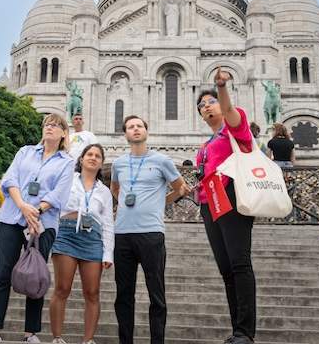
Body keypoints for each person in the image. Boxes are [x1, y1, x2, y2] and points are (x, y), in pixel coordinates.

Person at [0, 113, 75, 343]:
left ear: (64, 133)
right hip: (12, 217)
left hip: (42, 224)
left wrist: (36, 212)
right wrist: (23, 206)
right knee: (3, 272)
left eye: (56, 125)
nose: (50, 128)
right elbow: (10, 180)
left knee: (36, 275)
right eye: (47, 124)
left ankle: (31, 332)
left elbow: (59, 194)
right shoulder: (25, 151)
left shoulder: (66, 162)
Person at [111, 115, 189, 344]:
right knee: (123, 295)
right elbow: (115, 189)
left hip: (151, 233)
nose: (135, 130)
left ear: (146, 131)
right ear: (125, 134)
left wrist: (159, 202)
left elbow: (180, 188)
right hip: (122, 233)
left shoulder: (163, 161)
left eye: (139, 126)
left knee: (156, 294)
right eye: (130, 127)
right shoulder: (118, 163)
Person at [195, 68, 257, 344]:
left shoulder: (235, 128)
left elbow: (230, 109)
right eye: (201, 105)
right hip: (210, 204)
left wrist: (220, 87)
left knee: (240, 263)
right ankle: (236, 330)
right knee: (226, 269)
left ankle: (246, 331)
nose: (205, 106)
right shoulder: (205, 145)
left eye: (210, 102)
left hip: (232, 197)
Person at [49, 143, 114, 344]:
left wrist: (108, 253)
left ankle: (88, 339)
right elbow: (54, 204)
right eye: (89, 154)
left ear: (101, 163)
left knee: (92, 292)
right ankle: (57, 337)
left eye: (97, 156)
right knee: (62, 287)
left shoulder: (104, 191)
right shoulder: (67, 180)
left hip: (92, 239)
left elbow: (108, 224)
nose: (93, 158)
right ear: (81, 159)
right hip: (67, 234)